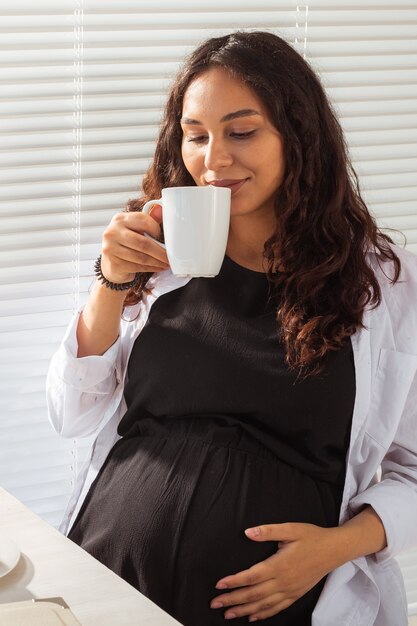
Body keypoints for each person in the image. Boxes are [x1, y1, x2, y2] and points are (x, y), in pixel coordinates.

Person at [46, 30, 417, 626]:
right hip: (113, 576)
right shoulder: (149, 252)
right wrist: (110, 281)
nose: (213, 160)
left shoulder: (384, 285)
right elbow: (72, 414)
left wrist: (335, 548)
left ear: (299, 138)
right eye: (196, 136)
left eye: (241, 132)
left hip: (279, 602)